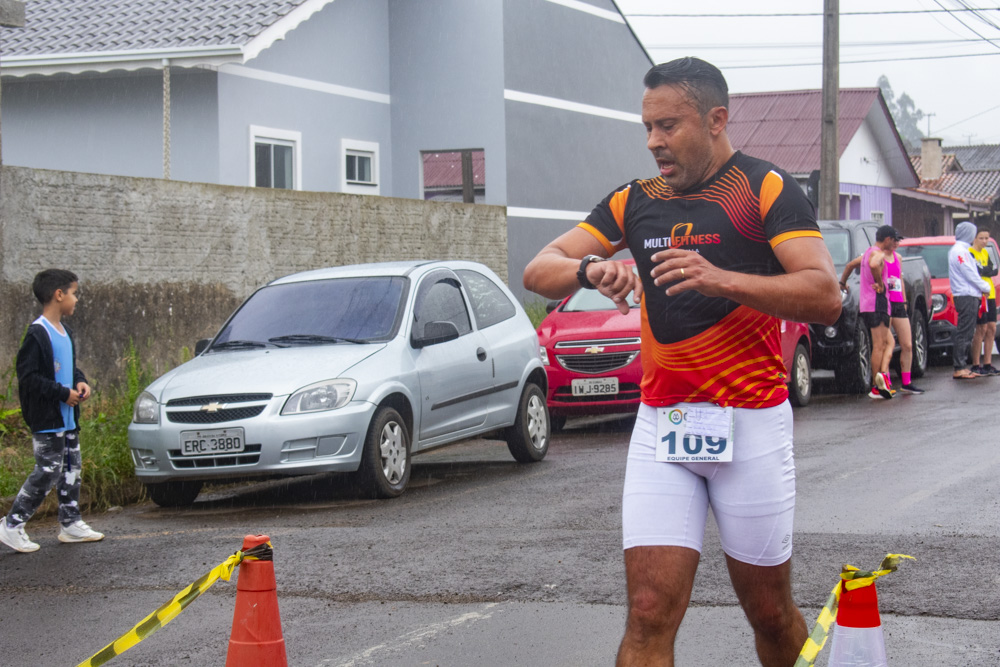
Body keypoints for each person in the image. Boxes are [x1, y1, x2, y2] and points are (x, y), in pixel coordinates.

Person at [523, 57, 841, 666]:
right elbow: (540, 269)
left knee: (770, 614)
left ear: (716, 119)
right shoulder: (634, 201)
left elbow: (824, 296)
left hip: (750, 421)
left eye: (668, 126)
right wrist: (594, 269)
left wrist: (722, 280)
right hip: (663, 425)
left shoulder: (764, 189)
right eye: (647, 127)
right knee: (647, 611)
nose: (653, 143)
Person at [0, 269, 105, 554]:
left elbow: (69, 368)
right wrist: (62, 393)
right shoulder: (38, 333)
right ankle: (11, 525)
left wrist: (80, 381)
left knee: (71, 468)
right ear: (59, 295)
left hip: (68, 418)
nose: (77, 299)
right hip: (48, 419)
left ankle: (70, 523)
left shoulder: (65, 332)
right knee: (47, 471)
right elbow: (29, 377)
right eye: (74, 293)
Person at [839, 225, 924, 396]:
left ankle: (905, 382)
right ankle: (880, 381)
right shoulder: (875, 254)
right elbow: (856, 265)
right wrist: (878, 282)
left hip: (896, 302)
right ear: (887, 240)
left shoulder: (897, 258)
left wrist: (905, 302)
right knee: (884, 344)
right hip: (881, 302)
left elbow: (898, 279)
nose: (896, 244)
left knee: (906, 344)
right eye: (894, 240)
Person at [948, 222, 991, 379]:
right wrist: (984, 286)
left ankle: (962, 366)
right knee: (964, 332)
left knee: (967, 331)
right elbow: (969, 273)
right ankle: (959, 367)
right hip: (965, 295)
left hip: (969, 294)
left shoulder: (963, 250)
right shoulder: (960, 251)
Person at [968, 227, 998, 376]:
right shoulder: (970, 253)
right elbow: (978, 271)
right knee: (981, 328)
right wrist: (985, 270)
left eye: (987, 238)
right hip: (979, 295)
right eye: (981, 238)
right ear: (974, 238)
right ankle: (975, 363)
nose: (985, 241)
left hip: (990, 293)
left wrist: (985, 270)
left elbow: (993, 270)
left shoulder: (986, 252)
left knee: (992, 327)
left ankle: (988, 363)